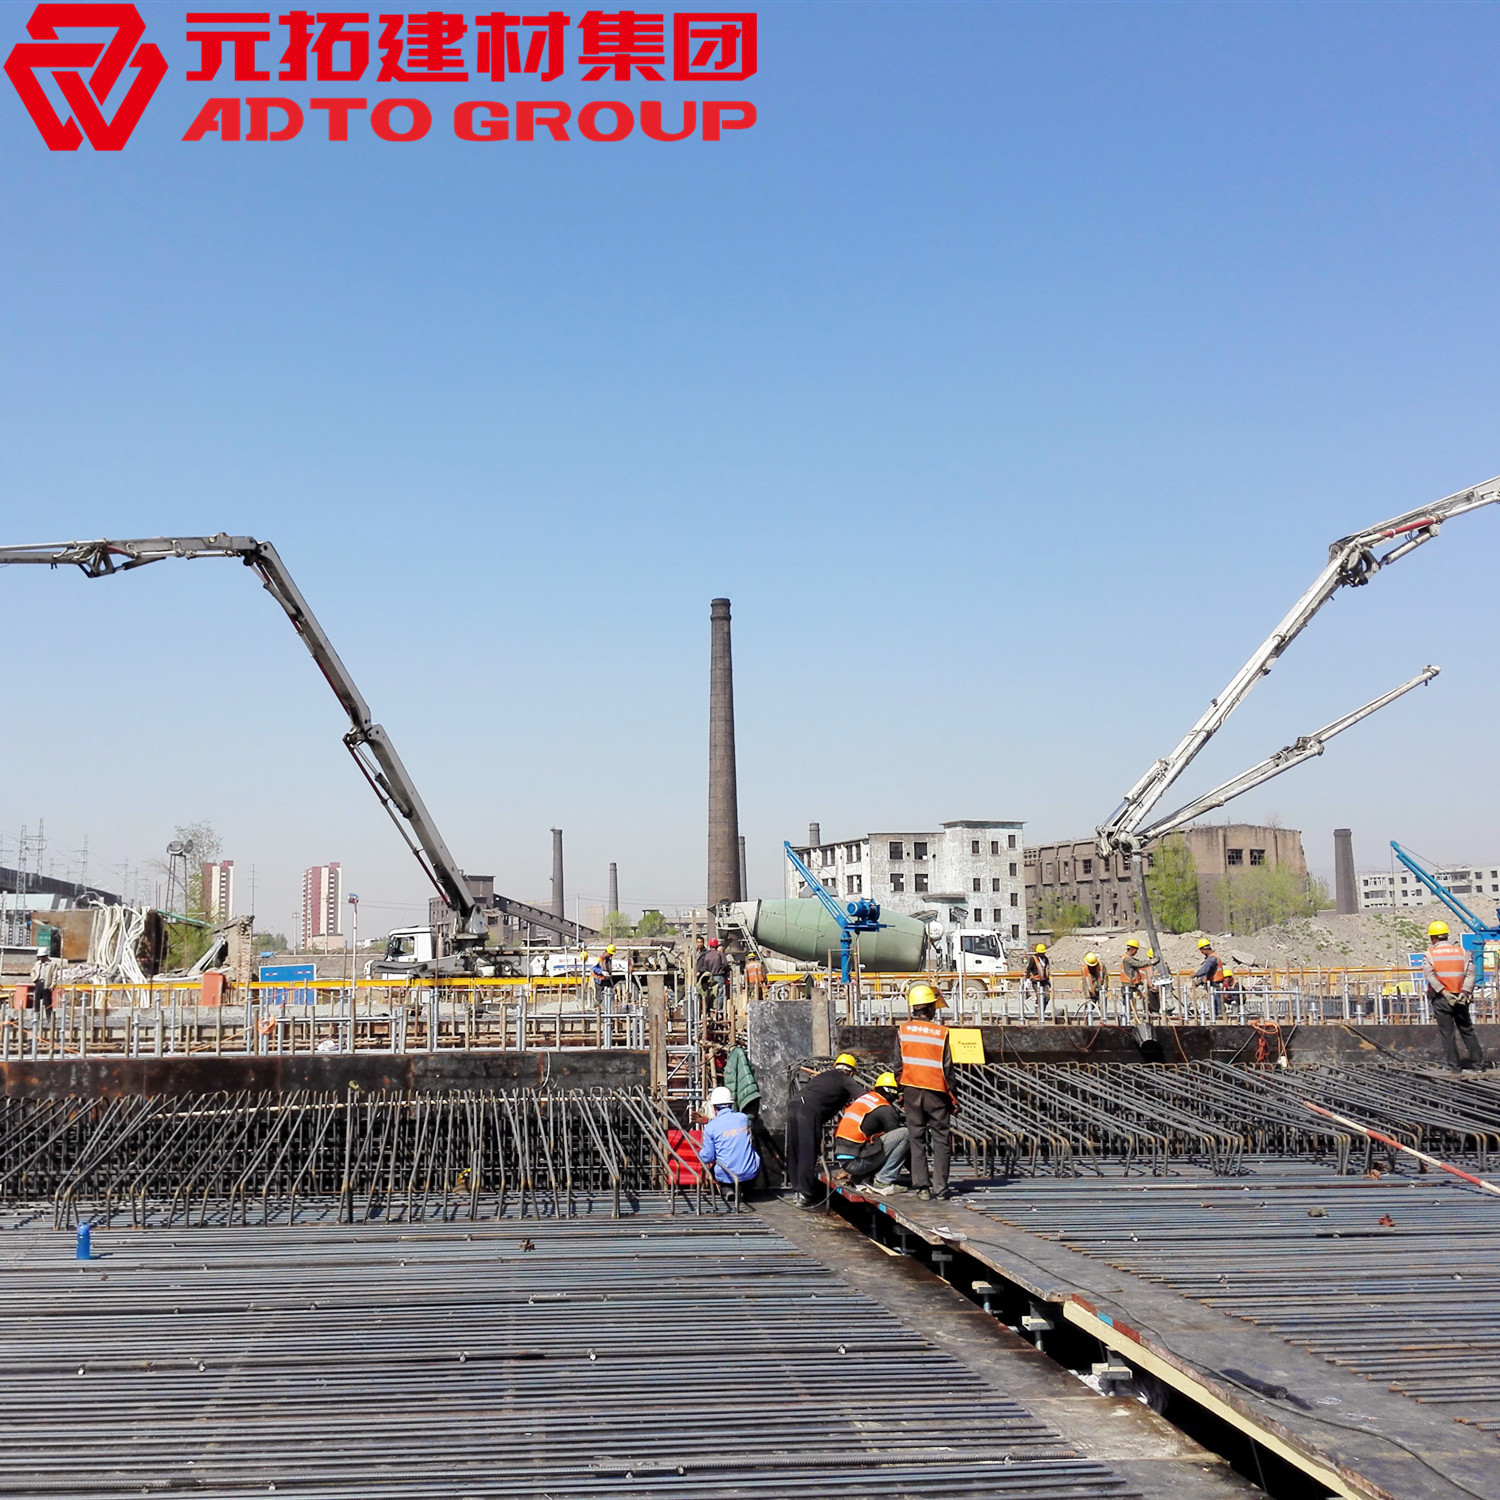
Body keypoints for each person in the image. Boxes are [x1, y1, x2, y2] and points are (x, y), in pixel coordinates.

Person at [898, 982, 956, 1202]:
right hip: (936, 1092)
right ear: (930, 1008)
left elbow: (898, 1065)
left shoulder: (903, 1031)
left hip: (912, 1090)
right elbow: (948, 1069)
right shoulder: (941, 1033)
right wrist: (953, 1097)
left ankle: (922, 1187)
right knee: (941, 1139)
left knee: (917, 1138)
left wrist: (902, 1092)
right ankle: (941, 1188)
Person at [784, 1053, 864, 1207]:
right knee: (807, 1151)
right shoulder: (844, 1078)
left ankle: (797, 1190)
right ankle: (805, 1194)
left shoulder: (825, 1076)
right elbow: (863, 1097)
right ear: (852, 1071)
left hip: (794, 1105)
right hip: (808, 1111)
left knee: (795, 1150)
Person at [832, 1072, 908, 1195]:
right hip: (856, 1164)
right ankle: (884, 1180)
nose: (899, 1097)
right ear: (891, 1091)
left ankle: (862, 1177)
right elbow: (900, 1143)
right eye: (898, 1093)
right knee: (904, 1134)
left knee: (880, 1142)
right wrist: (920, 1176)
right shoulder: (885, 1109)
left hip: (846, 1162)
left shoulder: (866, 1100)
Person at [1423, 920, 1483, 1073]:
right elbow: (1470, 974)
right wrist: (1464, 993)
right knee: (1467, 1030)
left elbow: (1430, 977)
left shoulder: (1430, 954)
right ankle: (1478, 1065)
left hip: (1442, 999)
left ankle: (1454, 1067)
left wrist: (1445, 993)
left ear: (1433, 938)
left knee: (1447, 1033)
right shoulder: (1462, 952)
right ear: (1446, 936)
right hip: (1461, 998)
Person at [698, 1085, 761, 1197]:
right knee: (750, 1160)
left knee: (715, 1169)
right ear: (731, 1104)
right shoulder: (743, 1118)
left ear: (714, 1107)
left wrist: (700, 1153)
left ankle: (727, 1190)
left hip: (727, 1175)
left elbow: (708, 1157)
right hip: (750, 1171)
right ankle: (747, 1190)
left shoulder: (711, 1127)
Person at [1193, 938, 1223, 1017]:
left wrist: (1195, 974)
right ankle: (1216, 1016)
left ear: (1204, 949)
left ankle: (1219, 1017)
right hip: (1213, 983)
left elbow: (1205, 969)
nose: (1202, 953)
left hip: (1215, 984)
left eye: (1201, 951)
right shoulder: (1212, 957)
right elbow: (1208, 973)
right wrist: (1200, 981)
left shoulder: (1212, 958)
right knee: (1214, 1003)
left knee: (1217, 1003)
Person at [697, 937, 728, 1010]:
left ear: (709, 945)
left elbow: (705, 967)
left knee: (712, 993)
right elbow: (725, 964)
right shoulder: (719, 953)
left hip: (710, 977)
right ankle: (719, 1010)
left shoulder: (707, 955)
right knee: (720, 993)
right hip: (719, 976)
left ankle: (712, 1009)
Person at [1120, 939, 1149, 1015]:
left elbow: (1138, 962)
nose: (1136, 952)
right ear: (1132, 949)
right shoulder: (1127, 959)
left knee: (1134, 1002)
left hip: (1132, 984)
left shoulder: (1129, 958)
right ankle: (1128, 1019)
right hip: (1128, 984)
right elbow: (1138, 964)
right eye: (1136, 950)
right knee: (1128, 1004)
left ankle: (1131, 1017)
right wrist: (1152, 962)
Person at [1023, 943, 1052, 1015]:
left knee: (1047, 998)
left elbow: (1046, 970)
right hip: (1036, 981)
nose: (1042, 954)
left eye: (1043, 953)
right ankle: (1038, 1012)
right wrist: (1027, 979)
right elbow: (1029, 969)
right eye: (1041, 953)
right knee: (1040, 996)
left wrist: (1049, 982)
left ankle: (1042, 1012)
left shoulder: (1046, 959)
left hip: (1044, 981)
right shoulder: (1033, 959)